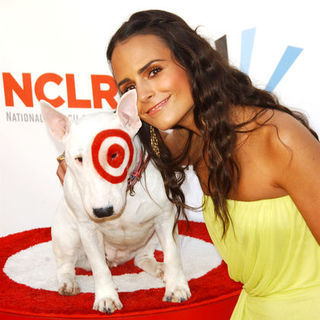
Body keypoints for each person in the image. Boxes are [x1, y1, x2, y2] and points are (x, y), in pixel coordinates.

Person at [57, 10, 320, 319]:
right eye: (128, 87)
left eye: (153, 71)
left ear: (192, 61)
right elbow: (114, 147)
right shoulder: (191, 142)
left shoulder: (278, 137)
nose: (143, 94)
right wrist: (74, 161)